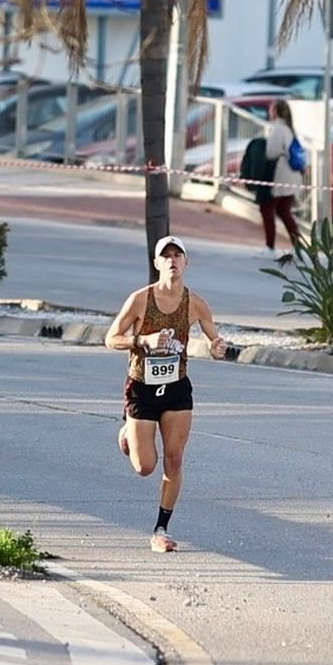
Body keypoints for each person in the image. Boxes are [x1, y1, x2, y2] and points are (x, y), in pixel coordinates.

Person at [105, 236, 228, 553]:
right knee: (145, 466)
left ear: (186, 263)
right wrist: (142, 341)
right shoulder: (140, 300)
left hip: (176, 389)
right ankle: (129, 433)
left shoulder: (196, 303)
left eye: (178, 255)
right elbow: (111, 338)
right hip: (142, 390)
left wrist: (217, 347)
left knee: (174, 459)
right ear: (157, 263)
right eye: (166, 256)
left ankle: (161, 529)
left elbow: (215, 340)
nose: (172, 260)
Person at [260, 100, 305, 258]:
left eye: (271, 109)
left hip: (282, 175)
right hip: (293, 175)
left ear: (275, 111)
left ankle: (270, 246)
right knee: (284, 210)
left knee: (267, 208)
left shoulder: (278, 128)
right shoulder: (288, 128)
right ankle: (299, 247)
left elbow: (271, 152)